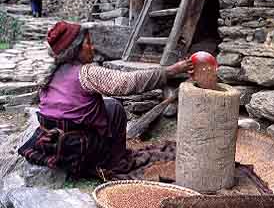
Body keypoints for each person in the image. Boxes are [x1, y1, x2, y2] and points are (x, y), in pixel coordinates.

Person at [18, 21, 193, 180]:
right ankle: (116, 162)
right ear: (76, 49)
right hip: (74, 148)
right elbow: (127, 83)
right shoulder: (86, 73)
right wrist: (169, 71)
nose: (92, 47)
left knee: (110, 106)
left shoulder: (49, 75)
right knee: (115, 108)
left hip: (51, 141)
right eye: (88, 43)